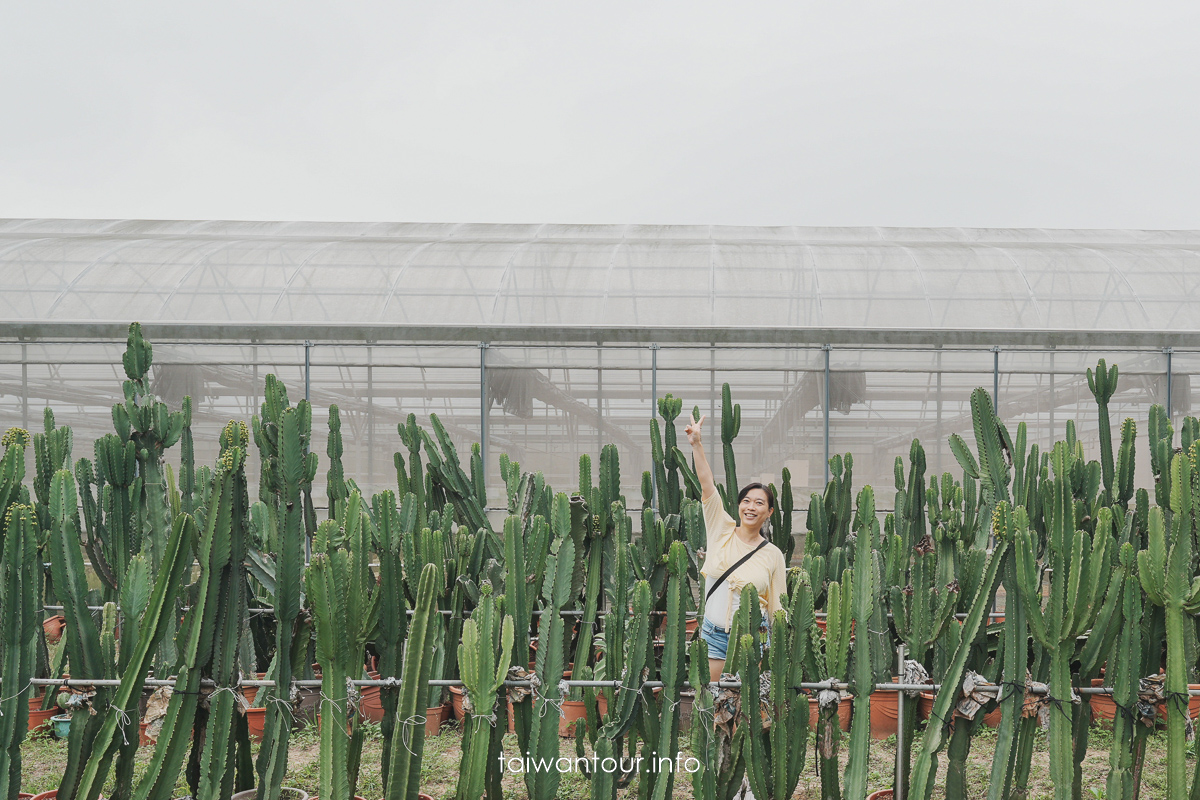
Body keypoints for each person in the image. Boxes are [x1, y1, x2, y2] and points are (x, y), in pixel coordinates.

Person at [684, 411, 788, 685]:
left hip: (754, 639)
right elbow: (707, 487)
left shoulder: (773, 555)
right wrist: (696, 444)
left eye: (759, 503)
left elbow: (778, 606)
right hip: (715, 634)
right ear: (739, 505)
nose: (751, 507)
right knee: (711, 699)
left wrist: (779, 650)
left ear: (769, 512)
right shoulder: (721, 529)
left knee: (750, 705)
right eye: (746, 501)